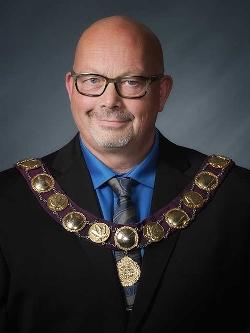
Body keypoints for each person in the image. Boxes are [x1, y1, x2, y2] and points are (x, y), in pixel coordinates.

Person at [0, 15, 249, 333]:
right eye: (92, 80)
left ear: (162, 92)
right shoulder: (6, 203)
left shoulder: (238, 198)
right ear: (70, 88)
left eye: (131, 81)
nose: (109, 100)